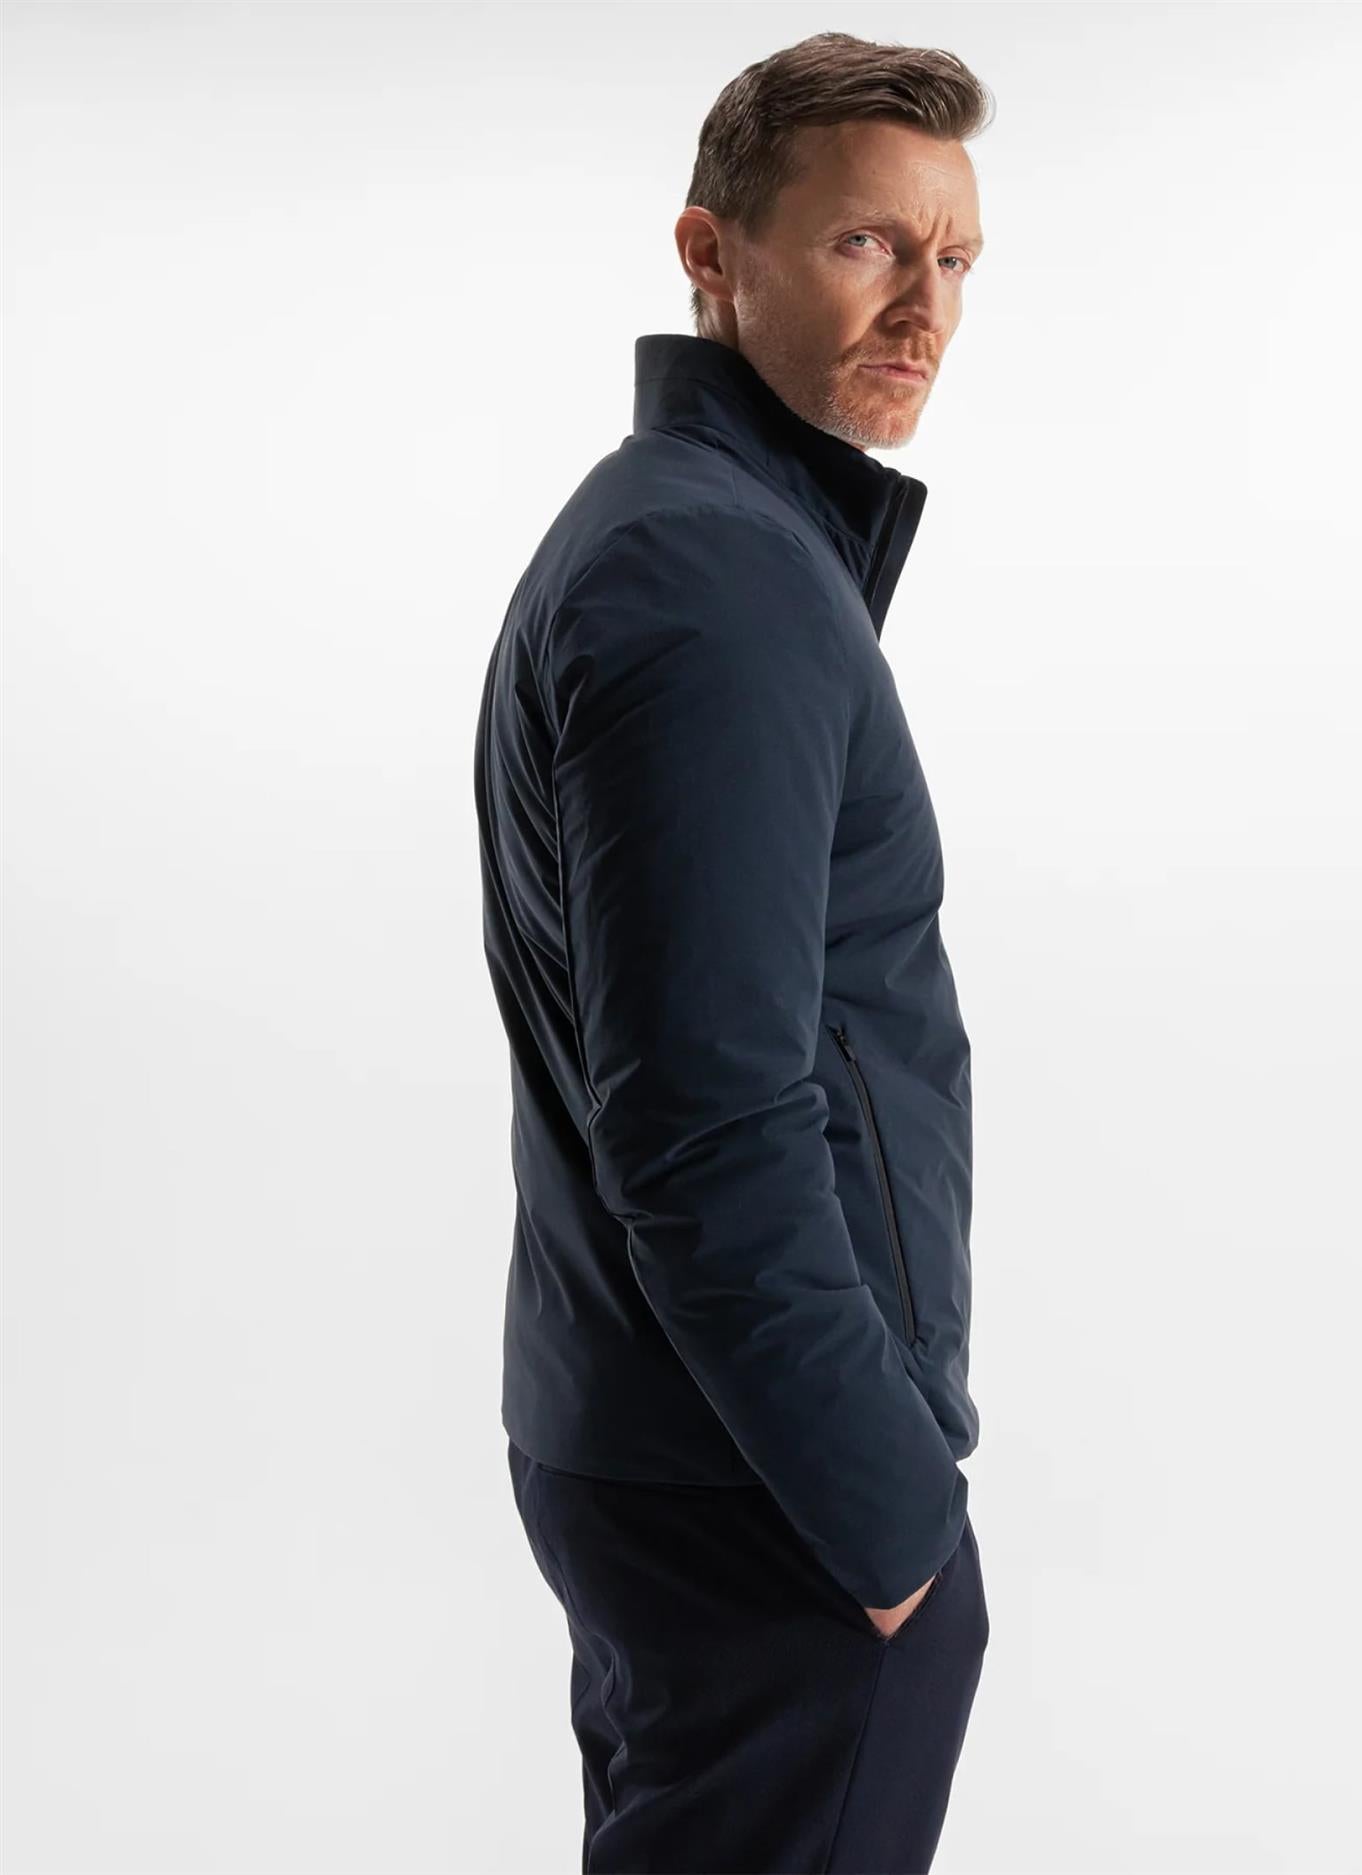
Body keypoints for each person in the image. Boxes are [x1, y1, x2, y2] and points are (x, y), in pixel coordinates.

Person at [473, 29, 994, 1873]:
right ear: (712, 252)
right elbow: (705, 1114)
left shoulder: (696, 541)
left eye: (955, 259)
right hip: (767, 1484)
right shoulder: (715, 580)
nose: (925, 307)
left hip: (686, 1444)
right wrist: (886, 1520)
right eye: (867, 244)